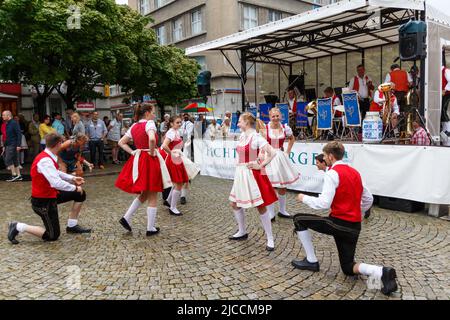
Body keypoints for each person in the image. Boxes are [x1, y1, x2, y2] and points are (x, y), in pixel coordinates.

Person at [292, 141, 397, 296]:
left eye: (326, 157)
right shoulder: (355, 172)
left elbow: (324, 203)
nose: (325, 159)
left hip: (338, 223)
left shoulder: (332, 174)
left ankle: (311, 261)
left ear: (330, 156)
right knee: (348, 268)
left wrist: (303, 198)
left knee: (298, 218)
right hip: (354, 226)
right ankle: (382, 271)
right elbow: (369, 199)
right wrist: (355, 211)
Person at [7, 133, 91, 245]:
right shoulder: (45, 160)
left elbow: (55, 173)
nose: (62, 145)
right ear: (58, 144)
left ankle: (72, 225)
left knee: (80, 194)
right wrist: (74, 187)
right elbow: (56, 182)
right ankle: (18, 226)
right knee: (52, 236)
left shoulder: (48, 156)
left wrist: (73, 178)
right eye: (61, 142)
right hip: (43, 202)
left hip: (51, 195)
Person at [115, 104, 171, 235]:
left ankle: (126, 218)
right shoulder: (149, 123)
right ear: (147, 113)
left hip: (140, 159)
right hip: (149, 159)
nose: (154, 114)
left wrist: (133, 152)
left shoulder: (134, 126)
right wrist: (152, 152)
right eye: (152, 112)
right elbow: (152, 139)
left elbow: (121, 142)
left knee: (145, 193)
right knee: (152, 194)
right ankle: (150, 228)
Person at [228, 112, 278, 251]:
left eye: (240, 121)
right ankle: (242, 231)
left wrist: (260, 165)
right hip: (240, 173)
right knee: (234, 203)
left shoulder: (255, 137)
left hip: (252, 174)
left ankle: (270, 238)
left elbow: (272, 152)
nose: (237, 123)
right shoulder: (243, 136)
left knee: (260, 206)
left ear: (247, 122)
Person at [263, 107, 299, 221]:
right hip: (269, 157)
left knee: (282, 185)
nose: (275, 118)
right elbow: (261, 144)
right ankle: (270, 213)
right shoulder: (266, 128)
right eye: (273, 116)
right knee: (269, 186)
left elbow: (292, 139)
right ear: (270, 117)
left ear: (281, 116)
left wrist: (287, 152)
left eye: (277, 116)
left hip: (280, 156)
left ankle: (282, 210)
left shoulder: (285, 128)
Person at [160, 116, 190, 215]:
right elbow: (164, 145)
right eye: (177, 122)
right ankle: (172, 208)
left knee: (177, 182)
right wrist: (172, 153)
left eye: (180, 122)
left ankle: (168, 201)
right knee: (178, 183)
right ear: (172, 123)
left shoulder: (176, 132)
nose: (179, 124)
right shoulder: (171, 132)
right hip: (173, 160)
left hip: (177, 158)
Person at [1, 111, 23, 181]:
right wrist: (4, 146)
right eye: (2, 115)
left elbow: (19, 134)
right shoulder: (7, 123)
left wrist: (19, 145)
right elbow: (8, 136)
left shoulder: (14, 123)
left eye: (4, 115)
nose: (2, 116)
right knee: (15, 160)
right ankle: (19, 176)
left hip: (13, 144)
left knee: (7, 160)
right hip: (9, 144)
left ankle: (14, 175)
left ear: (9, 116)